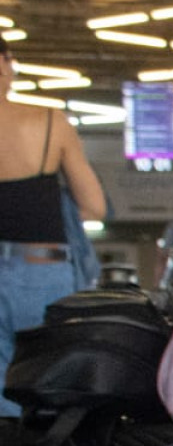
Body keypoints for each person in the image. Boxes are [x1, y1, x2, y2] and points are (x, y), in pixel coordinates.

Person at [0, 47, 106, 415]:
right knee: (45, 375)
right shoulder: (49, 121)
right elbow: (94, 206)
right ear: (8, 62)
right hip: (42, 265)